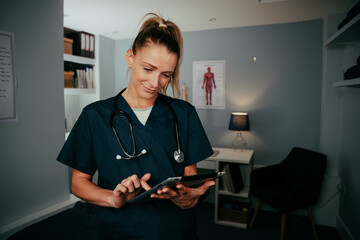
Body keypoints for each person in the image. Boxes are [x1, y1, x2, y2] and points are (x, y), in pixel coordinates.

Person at [56, 13, 214, 239]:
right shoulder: (95, 116)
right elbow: (79, 184)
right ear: (130, 57)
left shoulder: (184, 113)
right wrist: (113, 198)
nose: (155, 83)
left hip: (173, 229)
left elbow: (190, 177)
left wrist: (189, 199)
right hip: (117, 228)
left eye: (166, 75)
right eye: (148, 69)